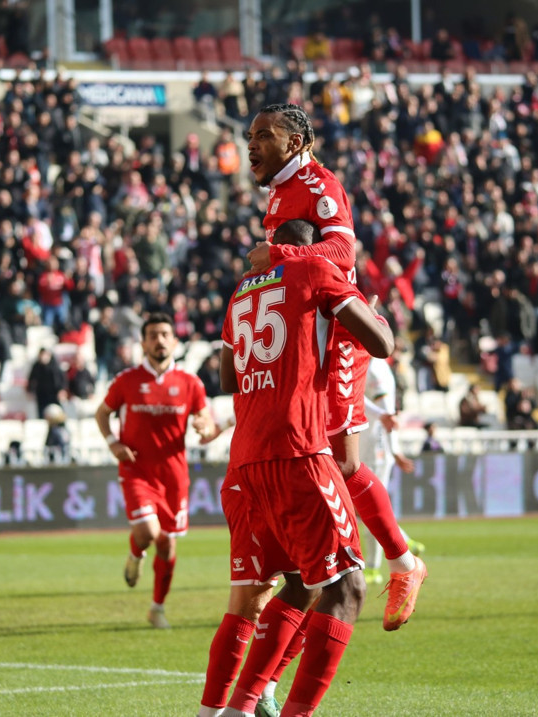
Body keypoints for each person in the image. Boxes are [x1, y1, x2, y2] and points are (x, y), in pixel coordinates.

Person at [244, 102, 426, 629]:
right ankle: (324, 573)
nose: (252, 144)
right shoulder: (279, 190)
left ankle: (403, 564)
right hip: (308, 330)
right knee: (314, 454)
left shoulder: (319, 183)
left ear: (295, 142)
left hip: (341, 328)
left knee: (342, 463)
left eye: (264, 135)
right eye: (250, 135)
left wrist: (281, 257)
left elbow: (343, 253)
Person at [204, 218, 395, 717]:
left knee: (295, 584)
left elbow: (227, 378)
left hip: (247, 460)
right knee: (348, 585)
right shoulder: (314, 270)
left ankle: (234, 708)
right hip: (298, 449)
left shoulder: (242, 290)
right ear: (314, 249)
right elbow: (382, 344)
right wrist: (369, 315)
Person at [95, 312, 215, 629]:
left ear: (174, 341)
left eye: (164, 334)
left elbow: (204, 418)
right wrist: (112, 443)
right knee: (149, 532)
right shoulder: (126, 380)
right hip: (136, 470)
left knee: (167, 544)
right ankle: (136, 555)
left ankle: (156, 608)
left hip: (174, 476)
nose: (159, 340)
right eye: (152, 335)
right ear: (143, 343)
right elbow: (102, 413)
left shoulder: (190, 383)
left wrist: (203, 424)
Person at [359, 356, 425, 585]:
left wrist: (395, 449)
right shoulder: (374, 366)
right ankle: (403, 541)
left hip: (375, 449)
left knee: (368, 509)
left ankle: (373, 568)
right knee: (365, 509)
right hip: (367, 447)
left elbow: (387, 412)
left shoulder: (374, 369)